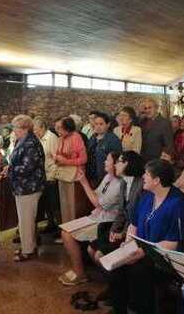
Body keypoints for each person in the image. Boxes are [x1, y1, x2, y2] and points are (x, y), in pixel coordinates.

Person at [110, 159, 184, 314]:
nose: (143, 177)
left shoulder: (178, 204)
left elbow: (174, 243)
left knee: (138, 270)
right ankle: (120, 309)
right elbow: (133, 225)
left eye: (146, 174)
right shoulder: (148, 196)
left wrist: (142, 251)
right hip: (142, 251)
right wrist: (129, 244)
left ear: (157, 180)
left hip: (165, 258)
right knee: (117, 266)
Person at [59, 152, 121, 286]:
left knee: (67, 234)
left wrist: (84, 182)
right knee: (65, 230)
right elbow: (96, 195)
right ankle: (78, 269)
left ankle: (80, 273)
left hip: (105, 222)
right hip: (96, 216)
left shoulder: (119, 184)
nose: (104, 162)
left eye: (108, 160)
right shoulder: (108, 177)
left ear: (116, 165)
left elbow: (97, 202)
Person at [91, 151, 145, 260]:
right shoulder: (124, 182)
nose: (115, 165)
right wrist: (113, 230)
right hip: (122, 228)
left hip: (134, 233)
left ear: (127, 164)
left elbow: (137, 218)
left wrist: (122, 233)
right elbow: (121, 211)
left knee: (99, 255)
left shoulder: (141, 185)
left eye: (119, 162)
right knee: (91, 249)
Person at [8, 115, 46, 261]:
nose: (14, 131)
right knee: (24, 220)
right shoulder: (22, 140)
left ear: (24, 128)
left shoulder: (30, 143)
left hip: (29, 187)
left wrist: (10, 170)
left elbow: (28, 167)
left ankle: (28, 251)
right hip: (22, 186)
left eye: (15, 128)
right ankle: (28, 246)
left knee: (27, 220)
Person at [54, 117, 87, 223]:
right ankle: (66, 232)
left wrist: (65, 161)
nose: (58, 130)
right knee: (64, 206)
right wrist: (57, 158)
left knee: (73, 207)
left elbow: (84, 159)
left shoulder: (76, 137)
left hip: (74, 176)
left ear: (67, 128)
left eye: (60, 128)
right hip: (63, 175)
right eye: (57, 128)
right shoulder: (60, 138)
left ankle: (73, 234)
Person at [33, 117, 59, 232]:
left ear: (42, 127)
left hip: (51, 176)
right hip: (43, 175)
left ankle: (57, 228)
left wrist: (53, 176)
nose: (34, 132)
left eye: (36, 129)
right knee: (46, 203)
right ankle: (50, 224)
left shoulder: (51, 138)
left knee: (53, 204)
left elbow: (55, 158)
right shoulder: (40, 138)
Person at [87, 112, 122, 186]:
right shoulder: (92, 138)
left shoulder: (113, 140)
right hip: (91, 176)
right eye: (96, 124)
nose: (98, 127)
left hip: (105, 177)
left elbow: (117, 160)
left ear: (108, 125)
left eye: (101, 124)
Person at [138, 98, 174, 163]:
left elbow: (169, 144)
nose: (147, 110)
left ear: (156, 108)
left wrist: (162, 160)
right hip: (144, 159)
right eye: (145, 108)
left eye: (150, 108)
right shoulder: (142, 121)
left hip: (158, 160)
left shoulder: (164, 122)